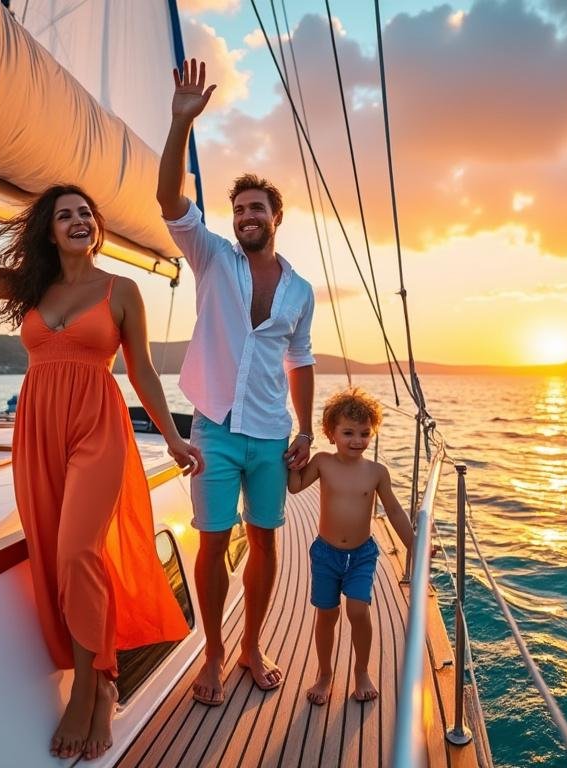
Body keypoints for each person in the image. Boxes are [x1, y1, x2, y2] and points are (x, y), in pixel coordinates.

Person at [0, 118, 202, 760]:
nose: (79, 220)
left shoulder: (122, 291)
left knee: (81, 549)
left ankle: (93, 686)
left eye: (86, 213)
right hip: (36, 431)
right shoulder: (30, 288)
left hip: (96, 426)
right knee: (55, 555)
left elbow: (142, 374)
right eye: (66, 215)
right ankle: (94, 672)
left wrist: (174, 436)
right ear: (49, 231)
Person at [157, 59, 316, 705]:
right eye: (239, 209)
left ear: (276, 216)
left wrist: (307, 428)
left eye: (257, 208)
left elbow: (300, 359)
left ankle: (252, 646)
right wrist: (180, 122)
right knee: (214, 543)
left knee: (266, 542)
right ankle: (215, 655)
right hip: (216, 431)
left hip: (272, 436)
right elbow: (169, 200)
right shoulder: (211, 257)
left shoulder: (301, 289)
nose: (246, 216)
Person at [287, 387, 414, 704]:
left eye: (364, 433)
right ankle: (325, 674)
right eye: (348, 433)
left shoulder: (376, 472)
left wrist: (415, 545)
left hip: (361, 554)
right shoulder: (322, 463)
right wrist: (290, 465)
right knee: (327, 615)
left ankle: (361, 671)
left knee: (358, 610)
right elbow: (296, 487)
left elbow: (395, 511)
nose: (357, 441)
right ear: (330, 433)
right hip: (326, 554)